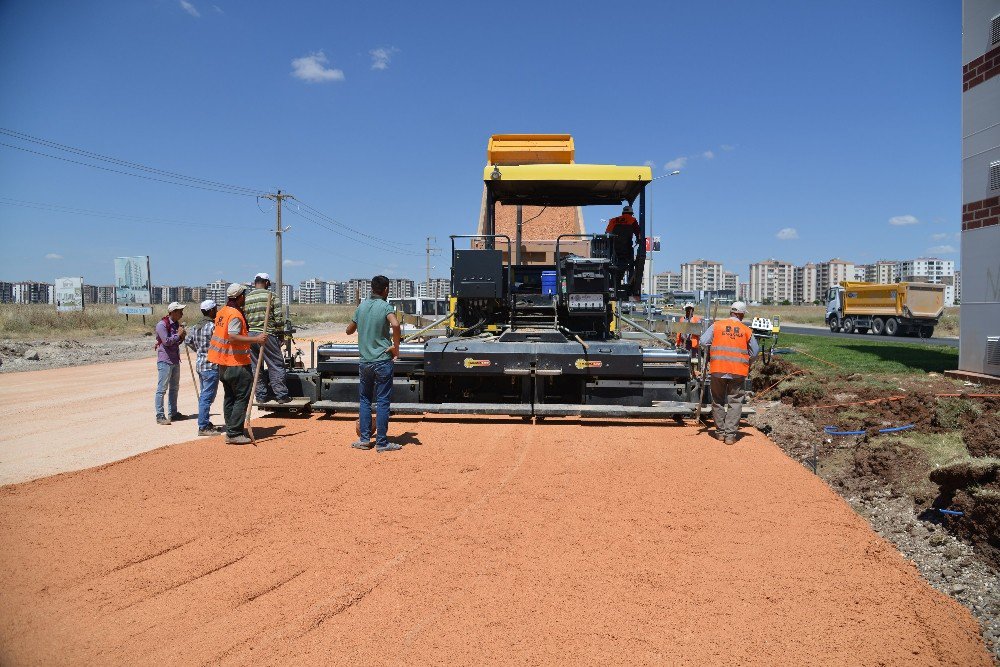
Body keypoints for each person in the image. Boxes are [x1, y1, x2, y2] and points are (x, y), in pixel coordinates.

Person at [345, 275, 402, 453]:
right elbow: (396, 324)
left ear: (372, 289)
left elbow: (348, 330)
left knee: (364, 400)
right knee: (383, 401)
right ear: (385, 290)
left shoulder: (361, 307)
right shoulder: (385, 306)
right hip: (382, 360)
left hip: (365, 362)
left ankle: (364, 440)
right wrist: (396, 348)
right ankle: (382, 443)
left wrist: (360, 323)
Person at [207, 283, 267, 445]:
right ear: (240, 297)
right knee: (241, 397)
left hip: (223, 363)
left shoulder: (222, 312)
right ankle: (234, 433)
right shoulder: (234, 314)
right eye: (244, 296)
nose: (244, 299)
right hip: (236, 363)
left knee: (230, 397)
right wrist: (256, 339)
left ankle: (232, 428)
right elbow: (233, 337)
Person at [699, 301, 759, 445]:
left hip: (718, 369)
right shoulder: (746, 330)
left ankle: (720, 432)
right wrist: (748, 363)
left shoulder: (717, 325)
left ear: (731, 312)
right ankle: (730, 435)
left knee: (718, 401)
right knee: (735, 402)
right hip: (738, 372)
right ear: (741, 314)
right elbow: (755, 352)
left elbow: (702, 341)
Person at [245, 272, 290, 404]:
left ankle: (260, 396)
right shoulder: (272, 296)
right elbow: (278, 318)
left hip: (251, 335)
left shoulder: (247, 298)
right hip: (266, 334)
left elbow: (245, 317)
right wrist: (281, 334)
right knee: (275, 364)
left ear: (255, 283)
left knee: (256, 367)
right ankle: (281, 395)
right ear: (267, 283)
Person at [185, 299, 224, 436]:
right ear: (211, 311)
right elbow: (221, 343)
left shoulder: (196, 326)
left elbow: (188, 341)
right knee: (207, 397)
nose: (217, 311)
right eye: (215, 309)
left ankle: (205, 422)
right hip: (211, 365)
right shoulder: (213, 327)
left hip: (201, 364)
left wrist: (200, 350)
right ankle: (203, 426)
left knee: (205, 395)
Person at [154, 302, 187, 425]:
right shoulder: (162, 325)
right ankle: (160, 415)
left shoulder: (176, 325)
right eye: (179, 311)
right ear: (172, 312)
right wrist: (178, 335)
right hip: (165, 361)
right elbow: (167, 342)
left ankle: (173, 413)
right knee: (162, 389)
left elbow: (175, 342)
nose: (181, 313)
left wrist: (181, 337)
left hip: (174, 359)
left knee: (174, 388)